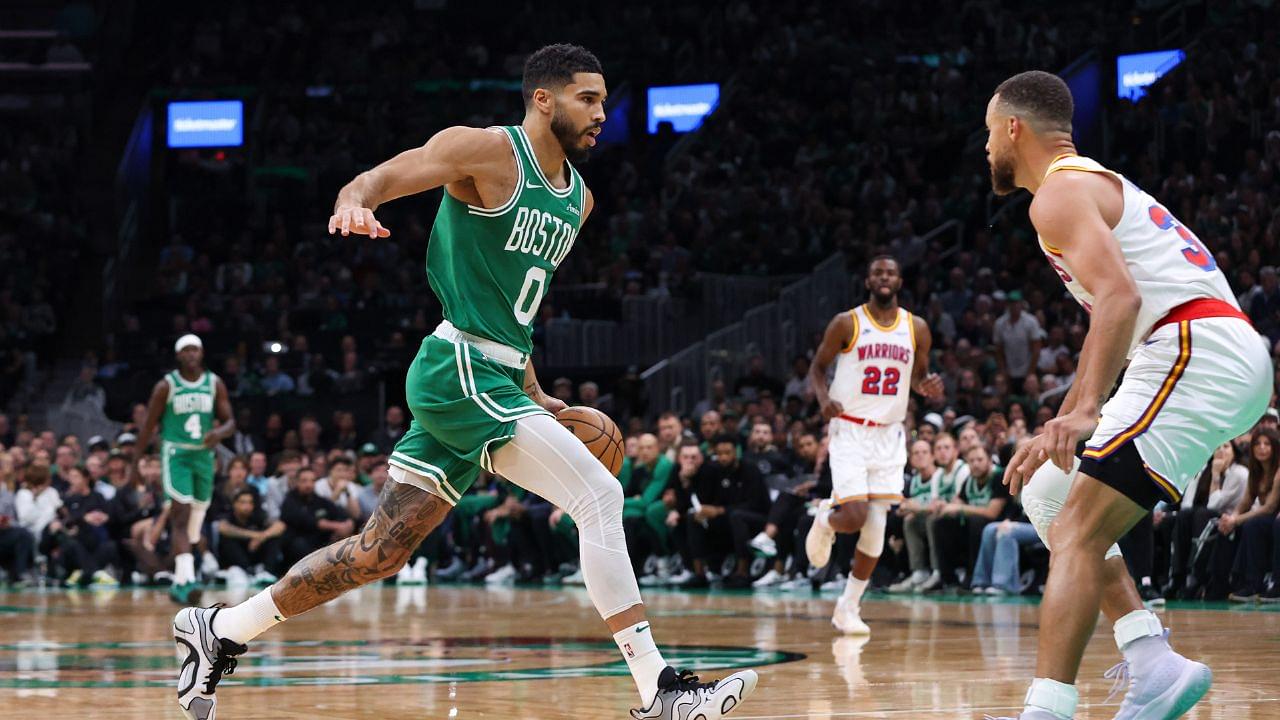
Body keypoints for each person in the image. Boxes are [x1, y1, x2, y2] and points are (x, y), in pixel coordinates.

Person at [172, 44, 756, 720]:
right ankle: (661, 690)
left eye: (603, 100)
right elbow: (382, 176)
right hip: (459, 370)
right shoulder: (484, 151)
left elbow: (514, 307)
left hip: (497, 374)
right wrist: (352, 201)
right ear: (544, 98)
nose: (602, 113)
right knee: (599, 494)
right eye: (587, 99)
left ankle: (220, 630)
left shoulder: (581, 200)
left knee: (377, 552)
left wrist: (533, 388)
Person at [989, 71, 1273, 719]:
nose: (985, 150)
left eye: (987, 133)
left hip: (1193, 348)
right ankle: (1154, 662)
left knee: (1080, 531)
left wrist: (1084, 408)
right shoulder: (1088, 183)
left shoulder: (1057, 194)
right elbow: (1125, 309)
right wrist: (1060, 423)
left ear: (1013, 129)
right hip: (1199, 351)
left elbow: (1120, 299)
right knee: (1049, 490)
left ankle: (1047, 710)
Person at [803, 255, 944, 634]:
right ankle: (824, 517)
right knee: (854, 517)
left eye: (891, 273)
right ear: (868, 280)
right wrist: (823, 400)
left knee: (877, 525)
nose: (884, 278)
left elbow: (917, 376)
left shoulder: (916, 327)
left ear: (900, 280)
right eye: (878, 273)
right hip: (849, 428)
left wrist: (925, 386)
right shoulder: (847, 322)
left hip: (889, 433)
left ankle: (848, 607)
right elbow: (817, 368)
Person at [136, 334, 236, 605]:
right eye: (187, 350)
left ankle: (180, 578)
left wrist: (219, 432)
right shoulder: (166, 386)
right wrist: (136, 461)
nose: (192, 354)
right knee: (180, 514)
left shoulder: (214, 383)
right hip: (176, 453)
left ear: (202, 354)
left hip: (203, 455)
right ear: (179, 355)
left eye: (196, 350)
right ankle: (188, 577)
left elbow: (230, 422)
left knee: (195, 520)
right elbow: (148, 427)